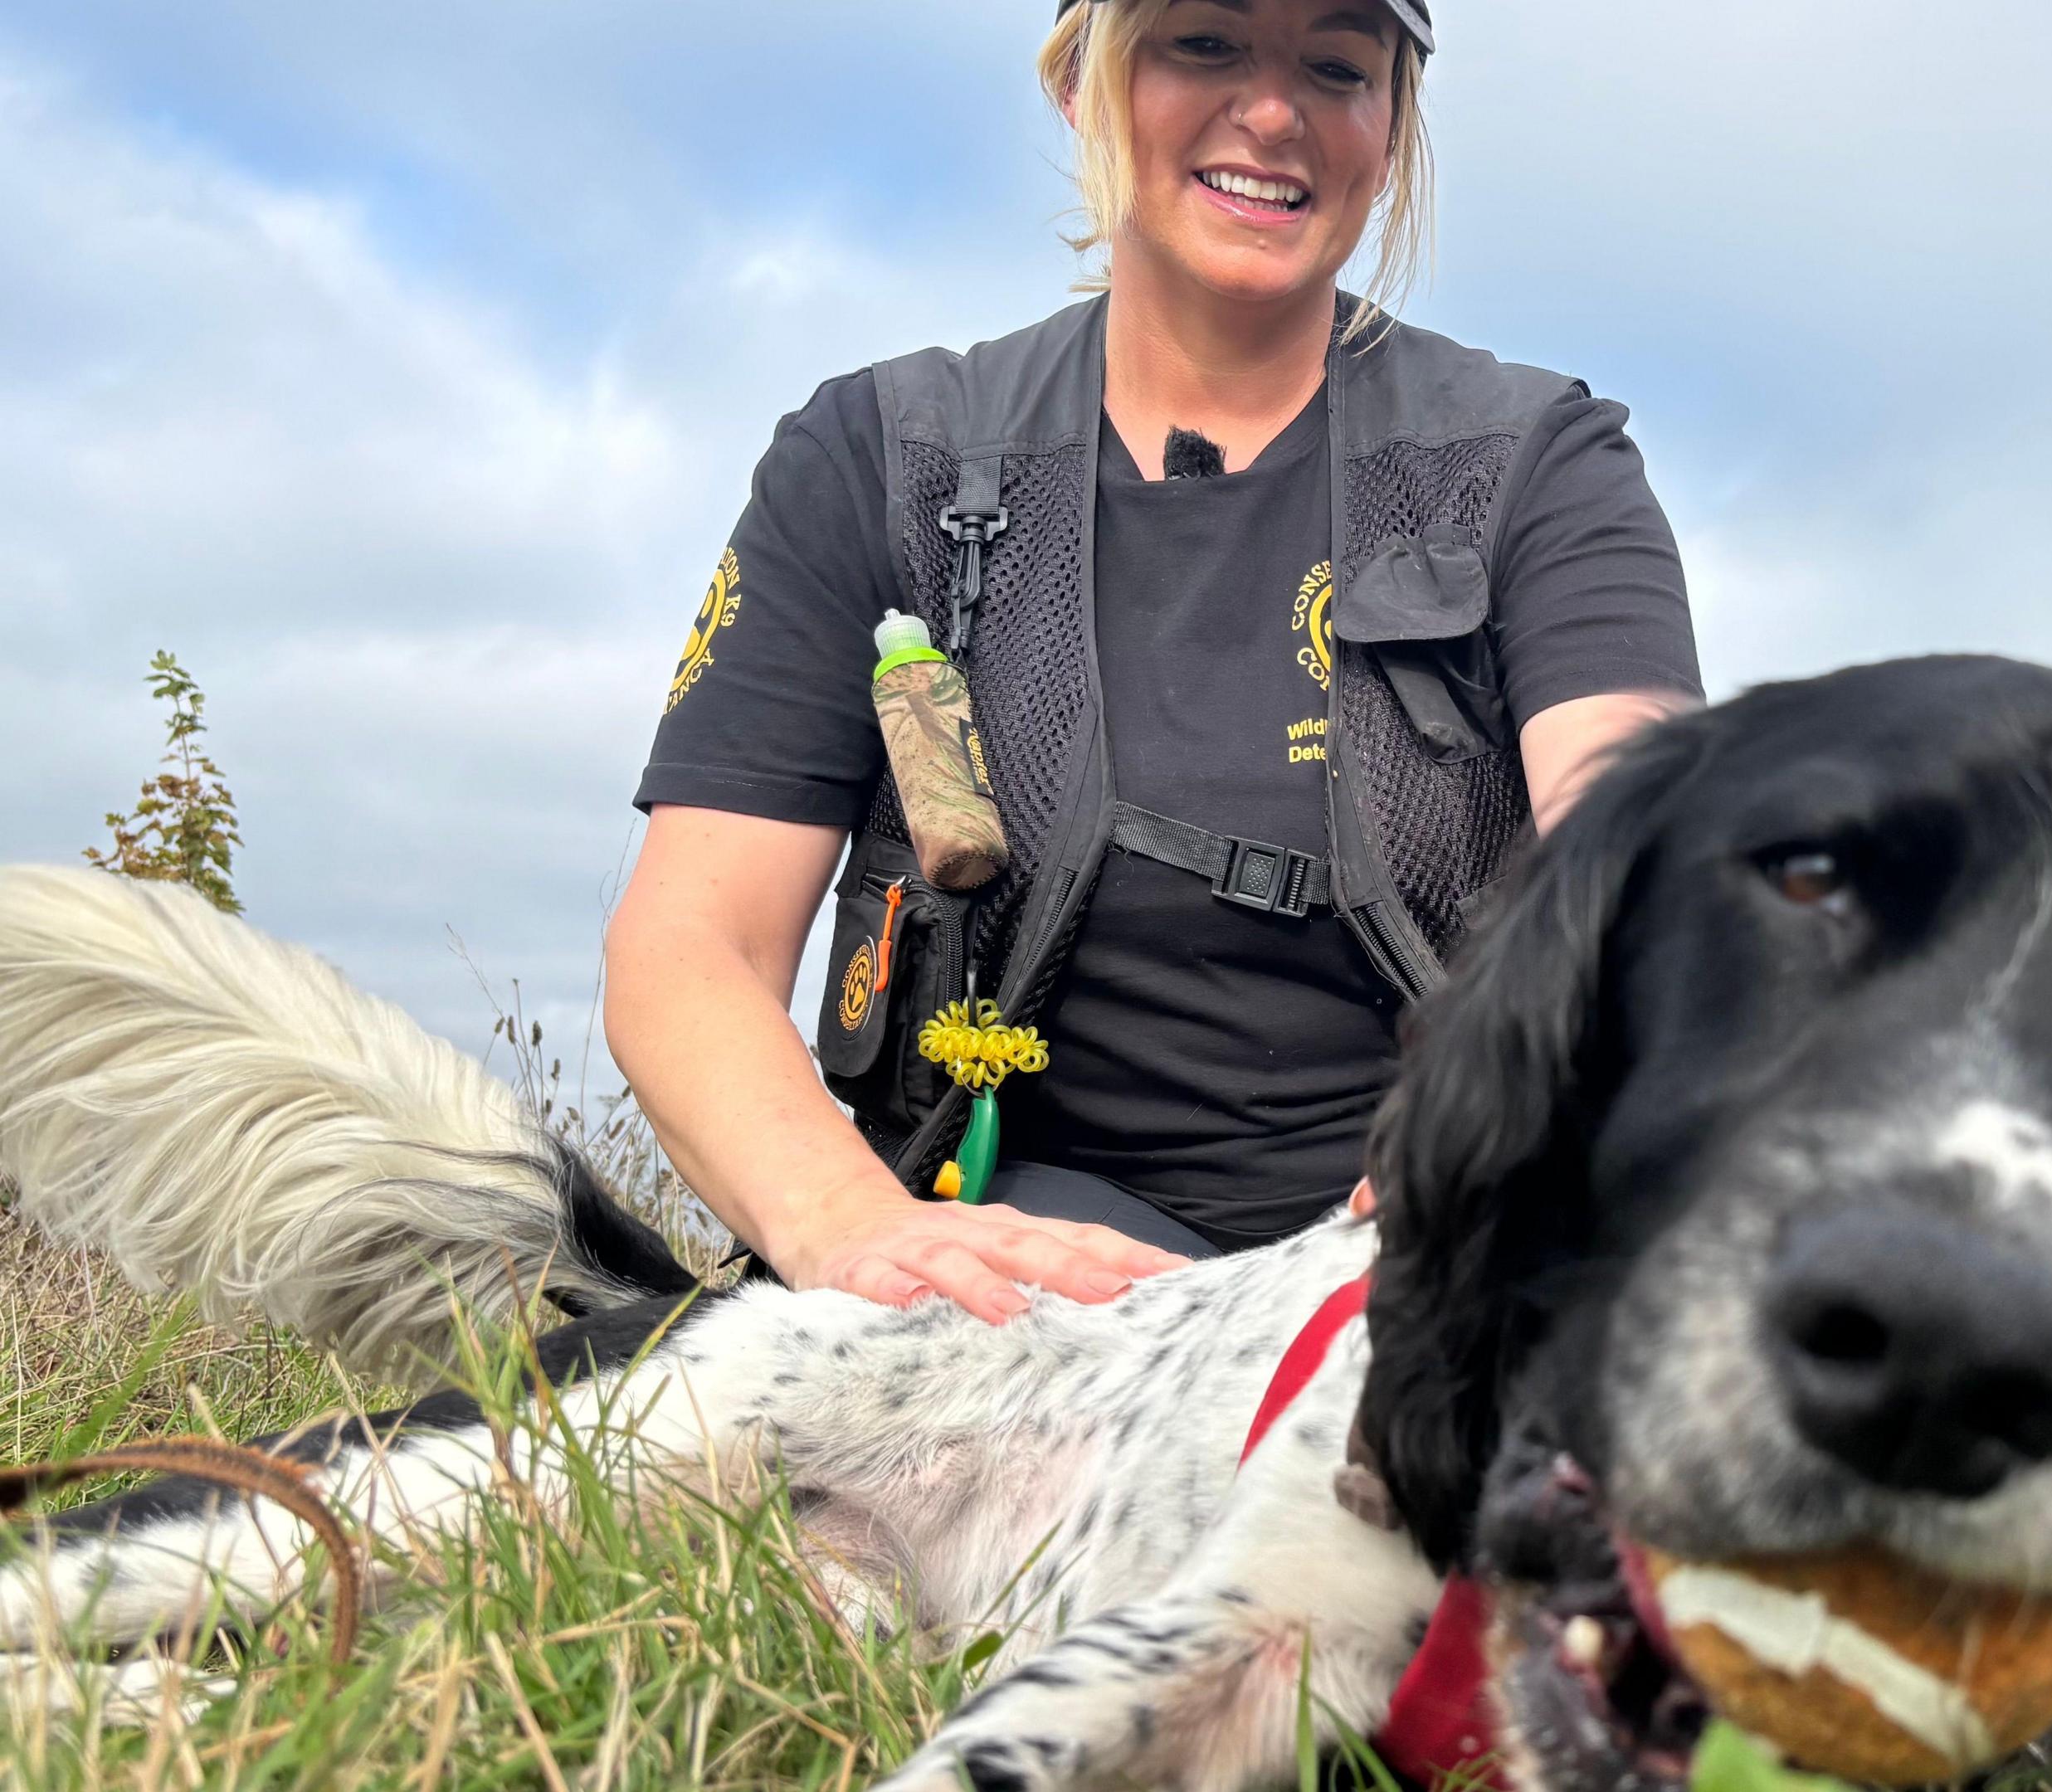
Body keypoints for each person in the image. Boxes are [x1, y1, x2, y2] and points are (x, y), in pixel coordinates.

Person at [606, 0, 1698, 1322]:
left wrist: (1501, 1133)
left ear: (1393, 128)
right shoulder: (880, 458)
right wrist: (852, 1229)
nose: (1277, 113)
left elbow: (1638, 869)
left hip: (1435, 1259)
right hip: (1011, 1279)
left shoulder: (1544, 465)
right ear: (1084, 81)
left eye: (1339, 66)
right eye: (1207, 43)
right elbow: (689, 949)